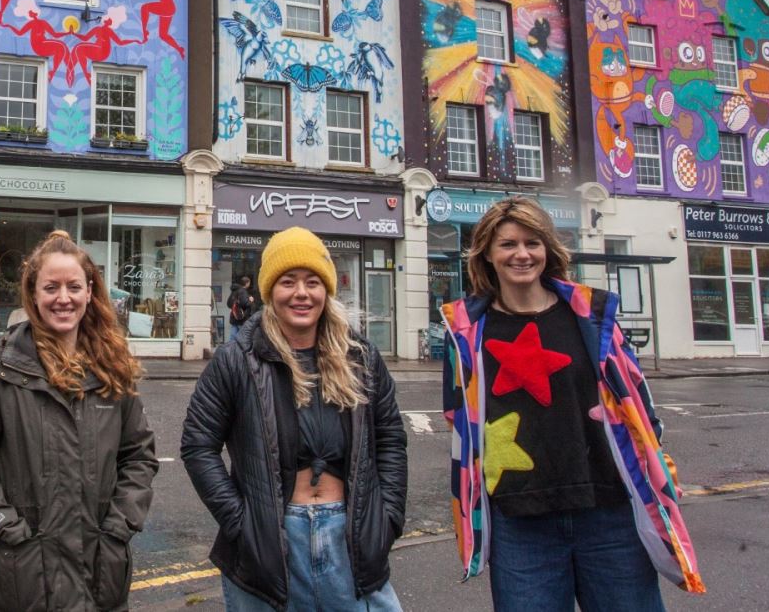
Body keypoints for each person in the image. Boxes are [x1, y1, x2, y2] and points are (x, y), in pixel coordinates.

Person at [439, 197, 705, 611]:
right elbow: (460, 422)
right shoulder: (466, 333)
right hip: (520, 521)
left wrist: (656, 461)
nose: (522, 254)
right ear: (487, 254)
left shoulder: (591, 316)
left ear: (548, 250)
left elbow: (636, 398)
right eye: (508, 244)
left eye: (533, 242)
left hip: (608, 511)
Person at [183, 227, 406, 611]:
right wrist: (242, 524)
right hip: (268, 549)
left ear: (326, 290)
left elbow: (390, 439)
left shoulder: (362, 358)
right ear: (270, 290)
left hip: (351, 539)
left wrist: (387, 518)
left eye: (313, 281)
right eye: (288, 281)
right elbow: (198, 445)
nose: (301, 293)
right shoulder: (237, 359)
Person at [0, 230, 158, 611]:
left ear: (90, 292)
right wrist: (1, 524)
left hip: (100, 572)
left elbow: (139, 456)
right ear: (33, 295)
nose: (63, 298)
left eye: (74, 287)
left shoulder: (113, 369)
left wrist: (119, 527)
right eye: (51, 288)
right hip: (23, 576)